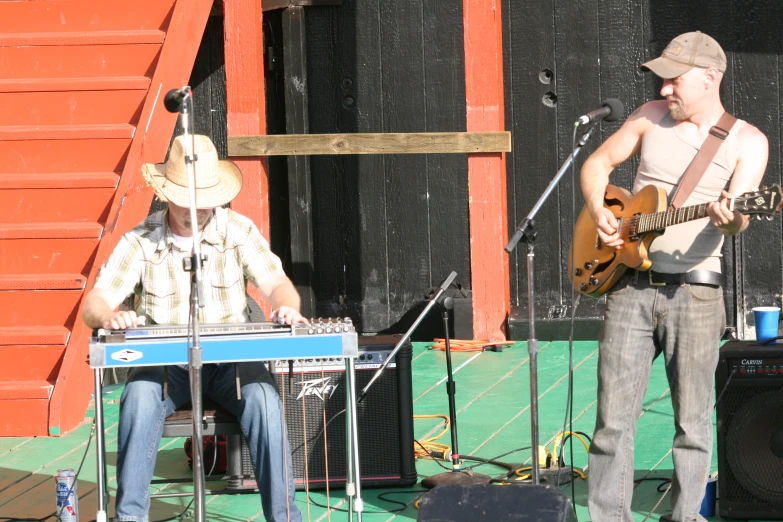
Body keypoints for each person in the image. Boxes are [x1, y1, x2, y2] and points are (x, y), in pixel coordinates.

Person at [580, 31, 768, 522]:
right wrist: (599, 206)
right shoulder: (647, 117)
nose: (665, 90)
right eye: (662, 80)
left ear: (710, 77)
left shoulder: (748, 141)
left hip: (696, 293)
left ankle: (686, 517)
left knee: (693, 424)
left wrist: (735, 218)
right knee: (611, 423)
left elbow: (741, 215)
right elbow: (597, 163)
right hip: (629, 288)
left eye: (674, 80)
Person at [83, 134, 306, 522]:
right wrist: (108, 318)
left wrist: (286, 307)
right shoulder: (140, 240)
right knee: (137, 399)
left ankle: (285, 518)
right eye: (188, 204)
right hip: (165, 364)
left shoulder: (237, 228)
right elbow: (95, 303)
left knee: (265, 402)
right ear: (167, 195)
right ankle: (129, 518)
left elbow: (277, 284)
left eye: (206, 205)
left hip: (230, 360)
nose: (198, 212)